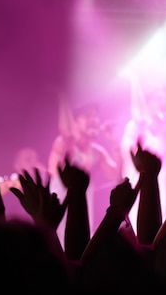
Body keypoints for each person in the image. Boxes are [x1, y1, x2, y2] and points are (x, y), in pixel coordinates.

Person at [47, 98, 121, 246]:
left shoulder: (97, 152)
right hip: (61, 219)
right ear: (74, 122)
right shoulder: (64, 144)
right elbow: (66, 133)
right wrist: (62, 98)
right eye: (88, 116)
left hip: (82, 218)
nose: (94, 120)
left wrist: (114, 142)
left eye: (95, 117)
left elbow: (116, 175)